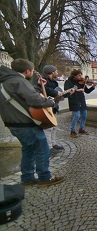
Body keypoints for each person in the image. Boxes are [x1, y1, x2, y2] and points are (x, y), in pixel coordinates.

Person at [0, 58, 65, 187]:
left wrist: (38, 86)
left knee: (28, 150)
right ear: (27, 70)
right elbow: (35, 99)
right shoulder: (18, 81)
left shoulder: (5, 82)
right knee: (42, 150)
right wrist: (50, 102)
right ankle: (45, 178)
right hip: (26, 124)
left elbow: (21, 96)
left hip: (14, 123)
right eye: (33, 71)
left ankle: (27, 178)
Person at [42, 65, 75, 153]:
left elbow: (60, 95)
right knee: (48, 128)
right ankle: (48, 148)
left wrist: (68, 93)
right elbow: (44, 89)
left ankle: (53, 143)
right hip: (46, 107)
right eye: (56, 71)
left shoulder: (55, 82)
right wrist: (56, 93)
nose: (57, 73)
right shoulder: (43, 80)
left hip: (54, 106)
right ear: (52, 72)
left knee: (54, 127)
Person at [64, 69, 95, 137]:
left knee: (84, 115)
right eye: (79, 75)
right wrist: (77, 90)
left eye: (81, 75)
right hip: (74, 100)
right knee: (77, 116)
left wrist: (93, 87)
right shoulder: (68, 82)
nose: (80, 77)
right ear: (74, 76)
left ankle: (81, 128)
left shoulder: (81, 82)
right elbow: (67, 91)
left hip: (81, 100)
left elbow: (87, 91)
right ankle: (72, 130)